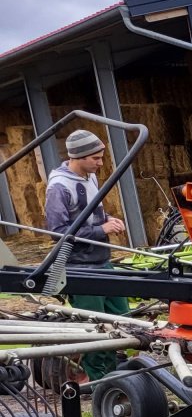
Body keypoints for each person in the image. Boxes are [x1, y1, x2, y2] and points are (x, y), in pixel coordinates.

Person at [44, 128, 130, 379]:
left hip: (102, 261)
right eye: (95, 158)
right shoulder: (59, 187)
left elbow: (90, 214)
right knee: (95, 329)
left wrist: (107, 220)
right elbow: (58, 232)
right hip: (80, 267)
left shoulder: (88, 177)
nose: (100, 163)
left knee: (122, 319)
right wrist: (100, 229)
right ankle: (98, 382)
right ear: (78, 157)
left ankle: (116, 376)